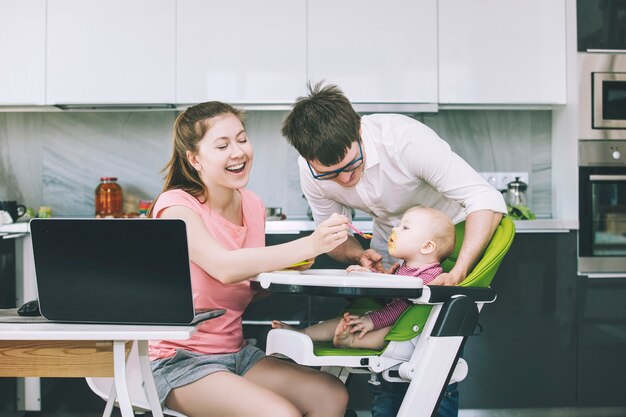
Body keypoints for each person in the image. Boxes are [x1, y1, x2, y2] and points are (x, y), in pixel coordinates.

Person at [281, 82, 507, 417]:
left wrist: (458, 272)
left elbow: (484, 198)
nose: (343, 180)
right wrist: (360, 256)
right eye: (330, 174)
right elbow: (335, 236)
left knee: (431, 350)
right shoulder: (311, 171)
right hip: (393, 245)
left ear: (357, 130)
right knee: (392, 353)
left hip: (452, 235)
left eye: (351, 166)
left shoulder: (404, 141)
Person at [148, 101, 350, 417]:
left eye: (242, 139)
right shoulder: (176, 206)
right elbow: (224, 267)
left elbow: (247, 288)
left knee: (331, 395)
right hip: (178, 360)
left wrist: (285, 270)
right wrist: (309, 245)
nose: (238, 152)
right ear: (194, 159)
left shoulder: (252, 205)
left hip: (236, 354)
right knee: (279, 414)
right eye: (222, 145)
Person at [272, 206, 455, 350]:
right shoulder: (403, 268)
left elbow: (402, 307)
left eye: (404, 227)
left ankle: (351, 342)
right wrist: (371, 276)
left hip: (408, 330)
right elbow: (390, 293)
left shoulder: (431, 275)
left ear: (427, 247)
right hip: (388, 317)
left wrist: (372, 321)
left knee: (387, 332)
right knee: (347, 320)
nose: (395, 229)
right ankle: (302, 333)